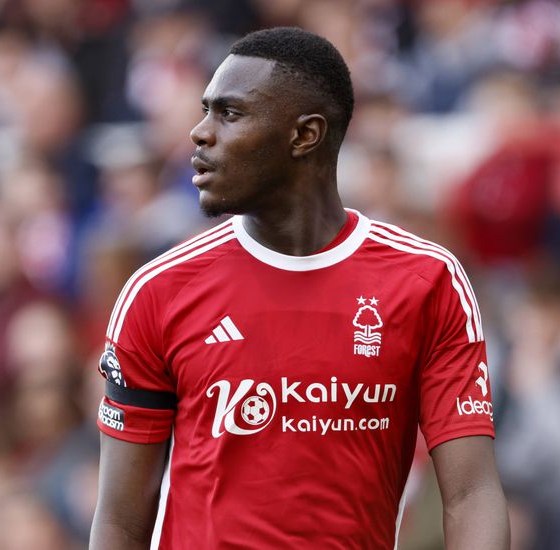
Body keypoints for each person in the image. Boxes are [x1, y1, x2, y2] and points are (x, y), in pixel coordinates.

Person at [90, 27, 509, 549]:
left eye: (229, 113)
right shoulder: (157, 291)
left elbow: (471, 495)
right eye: (204, 111)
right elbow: (119, 521)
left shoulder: (427, 281)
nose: (199, 133)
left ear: (305, 135)